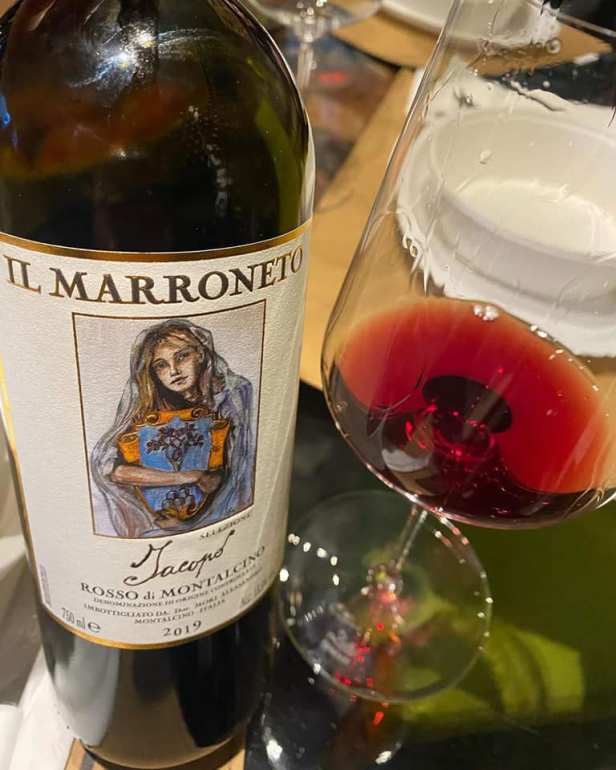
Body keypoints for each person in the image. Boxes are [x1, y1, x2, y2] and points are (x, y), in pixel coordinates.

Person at [91, 319, 254, 538]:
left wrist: (193, 521)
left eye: (182, 356)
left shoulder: (232, 397)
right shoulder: (144, 411)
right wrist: (190, 477)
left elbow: (241, 472)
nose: (174, 371)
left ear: (200, 354)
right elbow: (114, 471)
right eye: (161, 365)